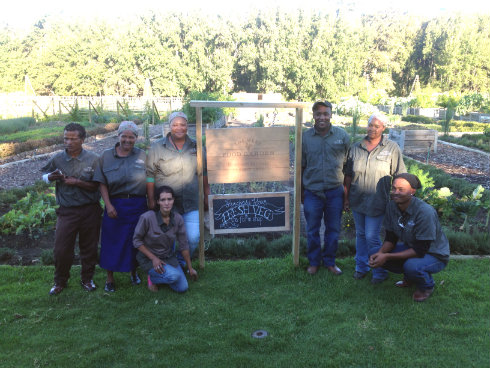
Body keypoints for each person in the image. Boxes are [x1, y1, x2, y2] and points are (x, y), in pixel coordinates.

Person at [343, 113, 406, 283]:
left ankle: (379, 271)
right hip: (358, 200)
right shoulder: (356, 147)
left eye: (377, 126)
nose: (372, 129)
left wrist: (399, 198)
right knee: (361, 234)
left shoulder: (392, 148)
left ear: (383, 128)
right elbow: (348, 175)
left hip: (378, 202)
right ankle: (361, 267)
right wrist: (346, 198)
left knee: (371, 236)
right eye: (370, 125)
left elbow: (400, 174)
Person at [368, 173, 450, 302]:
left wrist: (387, 256)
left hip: (434, 253)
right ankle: (410, 278)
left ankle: (426, 286)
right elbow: (391, 238)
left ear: (412, 191)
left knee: (412, 266)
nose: (396, 192)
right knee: (373, 252)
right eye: (394, 188)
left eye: (401, 189)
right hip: (412, 247)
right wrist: (380, 254)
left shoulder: (425, 212)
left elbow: (421, 249)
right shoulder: (391, 206)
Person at [41, 123, 102, 295]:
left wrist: (77, 182)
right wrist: (49, 177)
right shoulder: (58, 158)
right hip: (67, 211)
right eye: (66, 138)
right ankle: (60, 281)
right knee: (61, 248)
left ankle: (87, 279)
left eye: (73, 139)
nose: (68, 142)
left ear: (82, 140)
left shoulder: (93, 159)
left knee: (89, 247)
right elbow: (44, 175)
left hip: (90, 209)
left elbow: (96, 186)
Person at [146, 111, 210, 259]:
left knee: (193, 237)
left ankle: (181, 262)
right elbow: (150, 175)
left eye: (182, 124)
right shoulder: (157, 147)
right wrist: (151, 199)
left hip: (191, 202)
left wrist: (207, 196)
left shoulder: (197, 146)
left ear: (187, 126)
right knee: (168, 238)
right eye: (175, 125)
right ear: (169, 126)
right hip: (167, 203)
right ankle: (171, 264)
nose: (179, 128)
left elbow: (204, 173)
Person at [93, 121, 147, 292]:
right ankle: (110, 278)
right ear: (118, 136)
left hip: (138, 204)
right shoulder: (106, 156)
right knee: (112, 241)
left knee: (136, 240)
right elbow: (101, 183)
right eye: (124, 136)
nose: (128, 140)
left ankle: (133, 271)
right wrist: (108, 205)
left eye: (131, 137)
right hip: (115, 205)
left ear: (136, 138)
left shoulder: (143, 156)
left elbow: (152, 178)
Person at [302, 100, 350, 275]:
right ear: (313, 115)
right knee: (312, 229)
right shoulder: (305, 137)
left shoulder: (342, 136)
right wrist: (302, 192)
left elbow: (348, 167)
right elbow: (301, 166)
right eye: (318, 113)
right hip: (312, 192)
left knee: (333, 229)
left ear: (331, 115)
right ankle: (314, 262)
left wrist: (346, 195)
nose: (322, 117)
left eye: (325, 113)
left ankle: (330, 262)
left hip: (334, 191)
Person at [133, 185, 198, 292]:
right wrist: (154, 258)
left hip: (168, 257)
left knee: (183, 288)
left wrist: (190, 268)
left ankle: (165, 274)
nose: (166, 203)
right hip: (149, 258)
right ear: (158, 201)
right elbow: (136, 241)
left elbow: (184, 245)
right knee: (174, 276)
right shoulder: (147, 217)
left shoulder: (178, 219)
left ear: (173, 200)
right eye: (163, 200)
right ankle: (152, 278)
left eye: (169, 199)